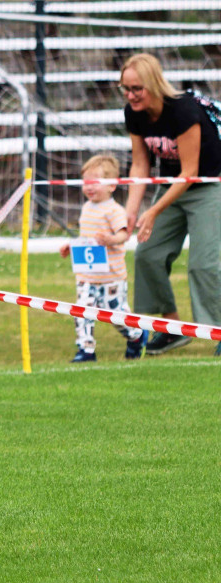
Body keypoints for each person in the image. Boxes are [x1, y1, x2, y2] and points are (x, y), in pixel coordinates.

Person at [121, 53, 221, 356]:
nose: (130, 95)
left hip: (209, 184)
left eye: (137, 89)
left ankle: (219, 329)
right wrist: (131, 212)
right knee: (148, 255)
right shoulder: (134, 113)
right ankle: (170, 329)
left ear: (153, 84)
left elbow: (190, 171)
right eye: (125, 88)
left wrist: (153, 211)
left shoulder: (182, 110)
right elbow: (141, 165)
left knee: (204, 264)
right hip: (171, 185)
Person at [58, 154, 148, 362]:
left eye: (95, 182)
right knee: (82, 312)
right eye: (86, 182)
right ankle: (86, 350)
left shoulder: (114, 211)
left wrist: (111, 239)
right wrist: (72, 247)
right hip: (87, 276)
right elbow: (87, 238)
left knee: (116, 316)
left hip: (111, 278)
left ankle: (136, 335)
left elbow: (124, 235)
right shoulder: (86, 208)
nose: (89, 187)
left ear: (112, 186)